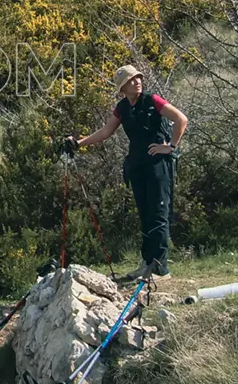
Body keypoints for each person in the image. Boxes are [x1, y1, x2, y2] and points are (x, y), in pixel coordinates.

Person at [65, 65, 188, 280]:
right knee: (146, 216)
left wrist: (170, 146)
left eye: (138, 78)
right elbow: (105, 132)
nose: (137, 82)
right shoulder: (122, 108)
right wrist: (79, 143)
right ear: (122, 88)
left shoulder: (153, 100)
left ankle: (160, 269)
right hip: (137, 166)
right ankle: (147, 263)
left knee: (159, 215)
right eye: (132, 80)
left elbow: (181, 119)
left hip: (158, 165)